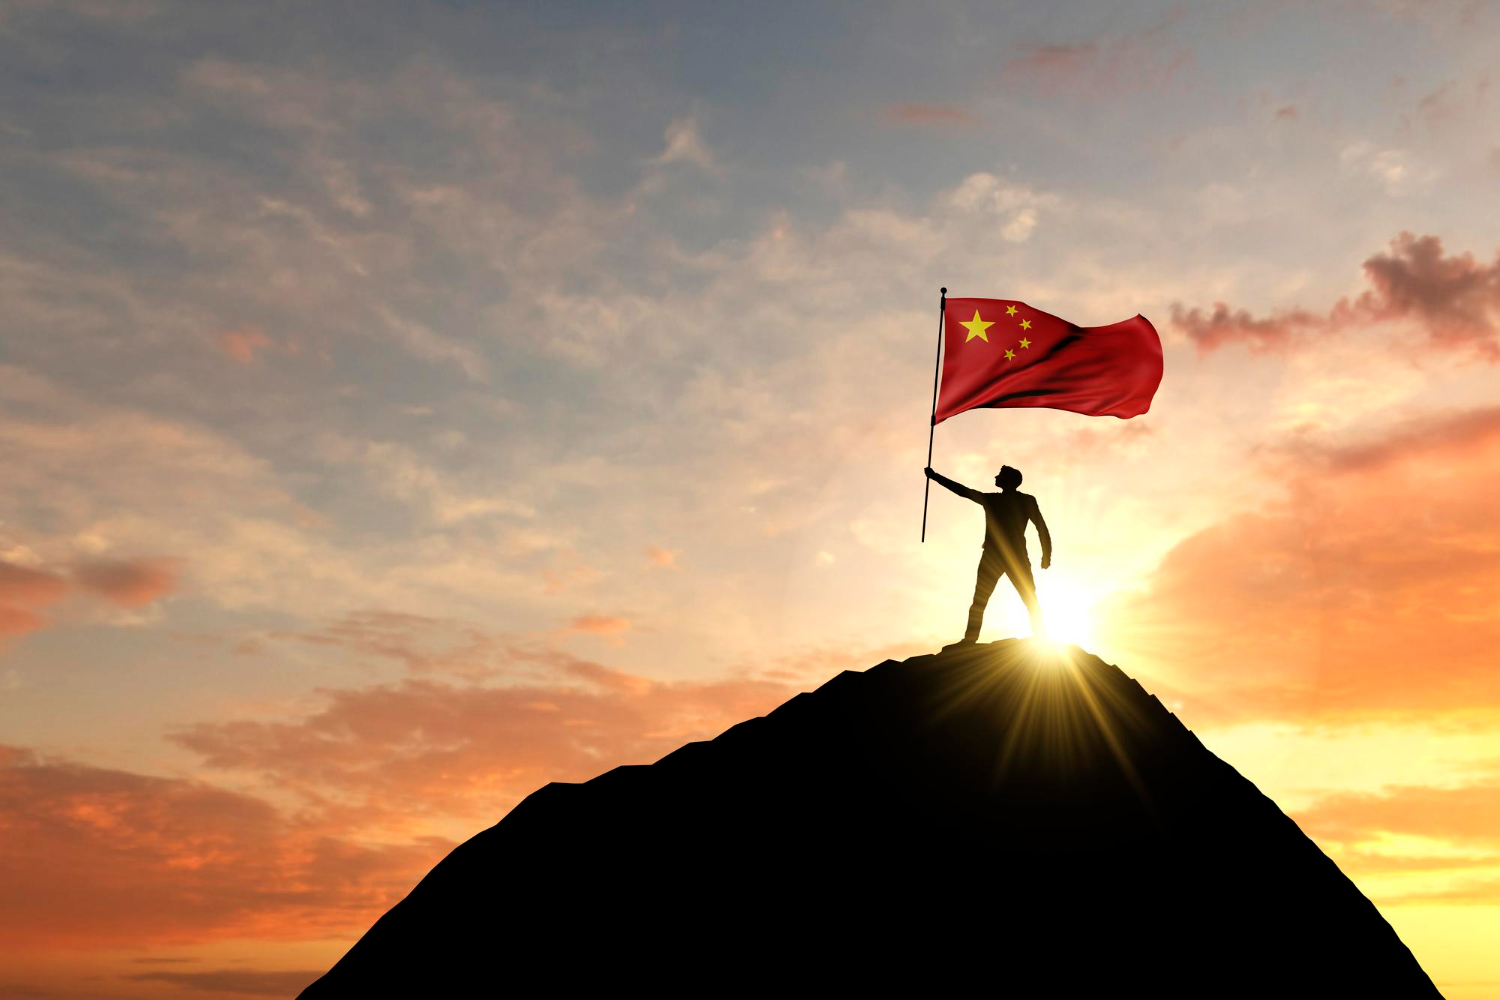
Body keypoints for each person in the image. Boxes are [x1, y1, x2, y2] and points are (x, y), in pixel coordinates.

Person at [924, 464, 1051, 643]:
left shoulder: (1013, 500)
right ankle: (970, 638)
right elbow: (963, 491)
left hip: (1004, 556)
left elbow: (1041, 527)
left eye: (999, 475)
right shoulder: (1002, 500)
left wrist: (1047, 554)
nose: (995, 477)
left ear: (1008, 480)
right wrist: (936, 477)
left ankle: (1040, 637)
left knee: (1020, 599)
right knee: (986, 599)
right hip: (1004, 556)